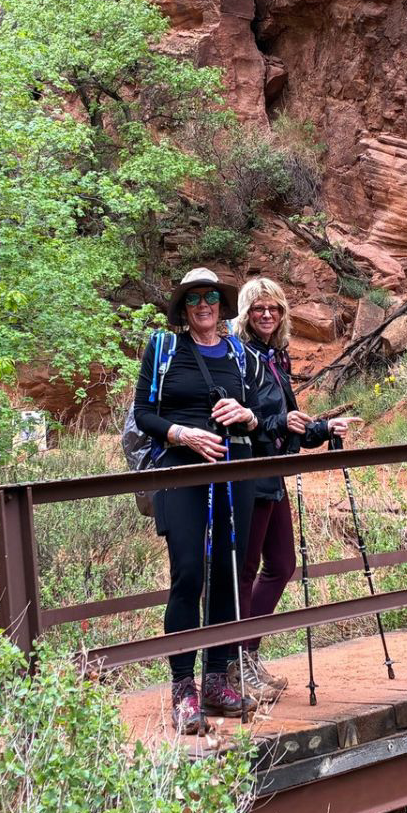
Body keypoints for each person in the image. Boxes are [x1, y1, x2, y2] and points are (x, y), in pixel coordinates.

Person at [132, 267, 282, 734]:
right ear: (183, 306)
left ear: (221, 304)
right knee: (189, 572)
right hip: (182, 470)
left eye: (212, 297)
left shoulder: (240, 355)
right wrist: (181, 433)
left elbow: (268, 412)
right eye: (194, 298)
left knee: (228, 572)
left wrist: (247, 415)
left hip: (233, 470)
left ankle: (216, 679)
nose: (204, 305)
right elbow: (142, 414)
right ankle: (183, 687)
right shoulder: (164, 349)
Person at [231, 277, 358, 700]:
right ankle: (235, 663)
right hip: (249, 475)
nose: (267, 314)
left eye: (274, 308)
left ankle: (246, 653)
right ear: (246, 314)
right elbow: (241, 420)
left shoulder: (275, 358)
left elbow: (291, 425)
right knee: (245, 570)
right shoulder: (240, 358)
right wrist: (277, 424)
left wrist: (323, 428)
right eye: (258, 308)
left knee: (282, 564)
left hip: (273, 474)